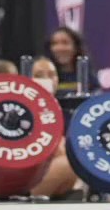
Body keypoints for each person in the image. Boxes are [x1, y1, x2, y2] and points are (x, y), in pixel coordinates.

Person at [28, 58, 84, 200]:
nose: (46, 80)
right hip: (25, 179)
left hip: (58, 181)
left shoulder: (62, 110)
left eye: (51, 74)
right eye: (39, 75)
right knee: (69, 162)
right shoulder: (21, 110)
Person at [48, 27, 88, 93]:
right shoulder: (46, 74)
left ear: (76, 47)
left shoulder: (85, 71)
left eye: (65, 43)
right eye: (54, 43)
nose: (59, 48)